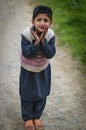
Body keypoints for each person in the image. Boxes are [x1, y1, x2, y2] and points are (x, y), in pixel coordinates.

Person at [19, 5, 56, 130]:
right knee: (26, 93)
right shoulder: (26, 35)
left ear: (50, 23)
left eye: (46, 20)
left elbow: (50, 53)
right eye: (39, 19)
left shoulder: (50, 35)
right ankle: (28, 118)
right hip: (28, 69)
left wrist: (43, 41)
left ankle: (37, 117)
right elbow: (27, 53)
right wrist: (35, 42)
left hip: (43, 69)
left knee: (42, 92)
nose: (42, 23)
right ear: (33, 21)